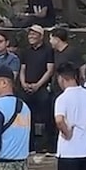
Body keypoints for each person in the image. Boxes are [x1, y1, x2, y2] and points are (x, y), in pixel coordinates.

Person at [19, 25, 56, 153]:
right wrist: (23, 83)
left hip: (42, 88)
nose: (31, 37)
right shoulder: (26, 51)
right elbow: (22, 69)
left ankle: (47, 146)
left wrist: (38, 85)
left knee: (46, 117)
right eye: (30, 34)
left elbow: (49, 70)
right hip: (26, 88)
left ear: (41, 36)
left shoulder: (48, 50)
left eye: (34, 34)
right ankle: (29, 146)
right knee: (26, 118)